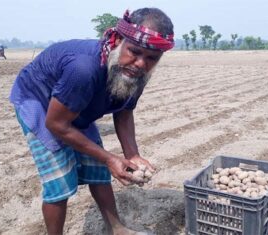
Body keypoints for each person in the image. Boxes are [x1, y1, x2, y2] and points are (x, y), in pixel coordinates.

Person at [10, 7, 174, 235]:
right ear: (118, 41)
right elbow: (56, 124)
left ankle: (117, 229)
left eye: (151, 58)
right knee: (59, 181)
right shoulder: (83, 68)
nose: (140, 63)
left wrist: (131, 154)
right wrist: (110, 158)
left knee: (98, 169)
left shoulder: (139, 73)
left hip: (76, 102)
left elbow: (124, 112)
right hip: (41, 101)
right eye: (134, 52)